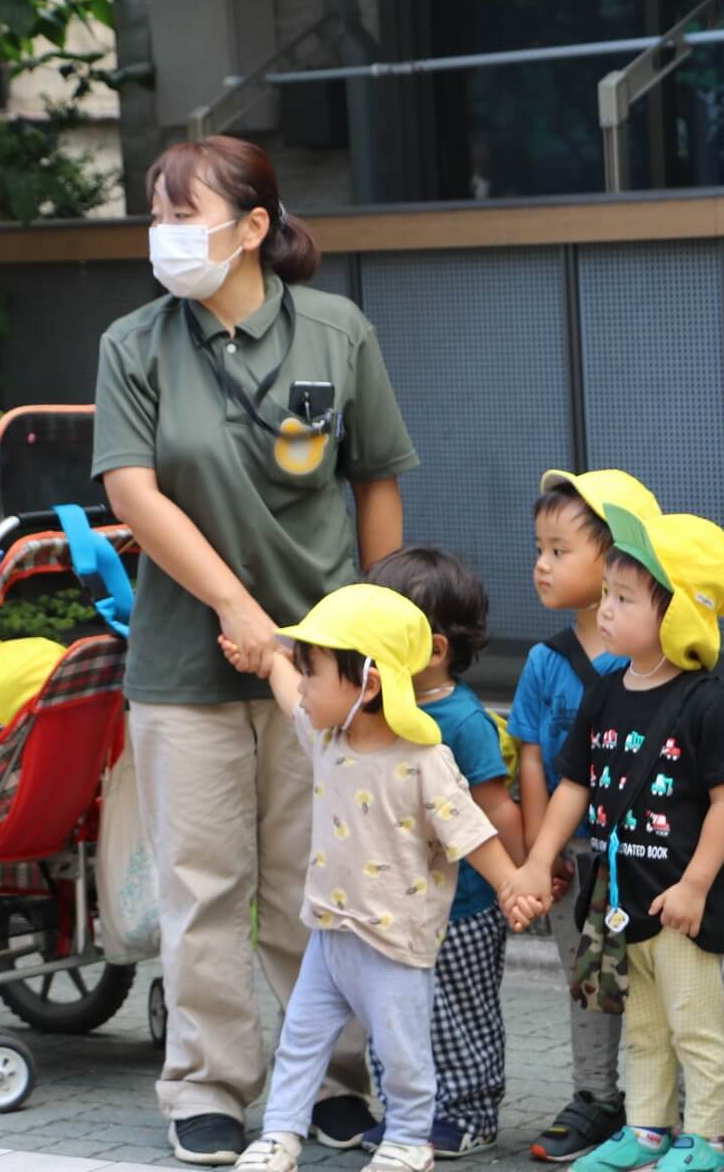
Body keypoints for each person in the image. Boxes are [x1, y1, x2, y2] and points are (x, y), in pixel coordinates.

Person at [93, 135, 419, 1164]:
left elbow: (374, 480)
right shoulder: (135, 343)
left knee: (319, 878)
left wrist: (377, 633)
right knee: (203, 884)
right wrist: (239, 609)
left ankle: (329, 1075)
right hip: (186, 660)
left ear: (254, 227)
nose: (165, 233)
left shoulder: (337, 330)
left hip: (325, 670)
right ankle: (208, 1082)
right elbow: (133, 493)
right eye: (156, 211)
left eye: (184, 212)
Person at [221, 584, 521, 1172]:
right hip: (330, 935)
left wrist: (510, 882)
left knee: (402, 1049)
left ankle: (410, 1138)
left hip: (394, 943)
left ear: (369, 684)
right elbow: (287, 693)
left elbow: (471, 829)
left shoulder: (423, 760)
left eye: (314, 671)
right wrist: (272, 660)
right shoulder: (327, 736)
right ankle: (281, 1133)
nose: (303, 686)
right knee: (300, 1040)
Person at [505, 506, 724, 1172]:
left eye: (624, 598)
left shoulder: (708, 701)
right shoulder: (607, 691)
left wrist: (697, 884)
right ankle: (648, 1128)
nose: (606, 610)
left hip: (681, 902)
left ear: (676, 614)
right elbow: (573, 787)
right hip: (619, 896)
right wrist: (537, 862)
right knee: (643, 1028)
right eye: (607, 594)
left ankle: (708, 1137)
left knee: (694, 1026)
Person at [507, 469, 662, 1162]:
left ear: (617, 560)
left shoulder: (656, 659)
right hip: (582, 861)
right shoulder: (545, 662)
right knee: (586, 984)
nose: (542, 564)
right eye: (539, 548)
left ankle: (662, 1107)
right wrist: (548, 853)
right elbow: (535, 758)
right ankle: (597, 1096)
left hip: (653, 858)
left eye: (560, 550)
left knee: (660, 985)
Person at [357, 548, 523, 1156]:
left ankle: (468, 1111)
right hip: (391, 903)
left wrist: (522, 877)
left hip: (464, 903)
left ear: (433, 649)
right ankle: (406, 1112)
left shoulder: (462, 719)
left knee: (458, 1011)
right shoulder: (370, 712)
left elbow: (495, 806)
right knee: (394, 1015)